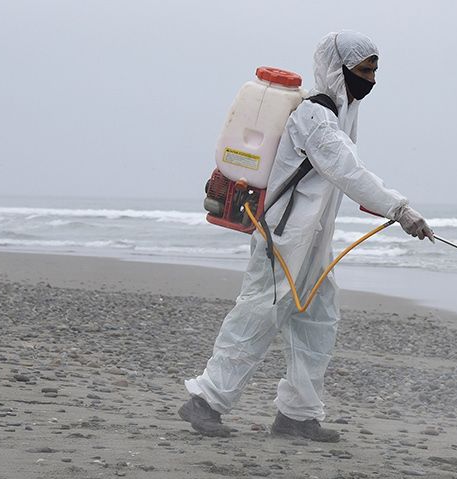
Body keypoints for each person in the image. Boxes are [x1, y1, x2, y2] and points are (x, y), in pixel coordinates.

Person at [179, 30, 433, 442]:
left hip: (311, 241)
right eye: (364, 70)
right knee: (258, 315)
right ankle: (205, 400)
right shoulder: (314, 115)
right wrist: (400, 210)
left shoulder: (340, 115)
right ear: (339, 68)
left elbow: (344, 176)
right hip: (281, 239)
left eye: (374, 70)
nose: (371, 79)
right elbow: (348, 171)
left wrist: (390, 207)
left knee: (317, 320)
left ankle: (297, 415)